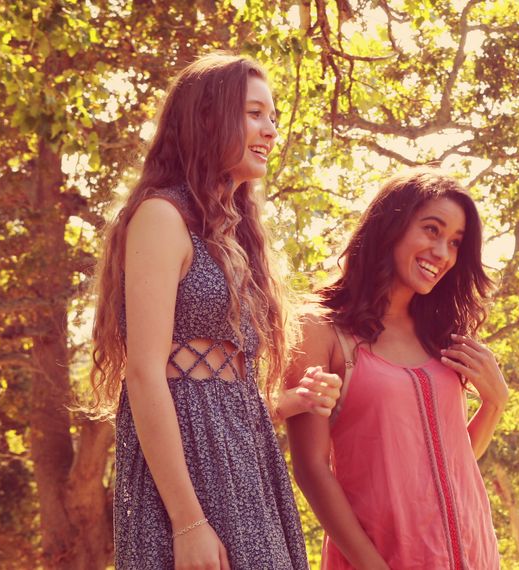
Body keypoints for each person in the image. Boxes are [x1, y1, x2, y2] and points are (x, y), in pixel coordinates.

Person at [88, 53, 340, 569]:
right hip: (185, 484)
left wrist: (290, 401)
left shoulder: (234, 236)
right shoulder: (162, 216)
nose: (271, 131)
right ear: (207, 118)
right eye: (254, 114)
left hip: (248, 466)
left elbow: (219, 393)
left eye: (273, 118)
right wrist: (187, 520)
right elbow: (145, 374)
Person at [286, 168, 505, 569]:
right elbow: (311, 469)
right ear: (391, 225)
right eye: (432, 230)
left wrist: (493, 403)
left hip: (473, 554)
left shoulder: (440, 333)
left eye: (455, 243)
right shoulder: (321, 328)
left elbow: (447, 460)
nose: (442, 253)